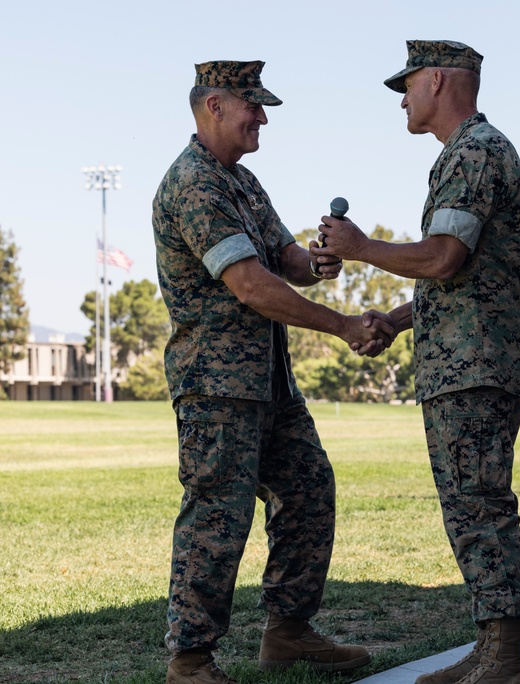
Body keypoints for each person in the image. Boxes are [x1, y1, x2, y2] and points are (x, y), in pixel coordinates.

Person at [152, 60, 390, 684]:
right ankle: (190, 659)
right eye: (252, 105)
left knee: (309, 487)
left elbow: (284, 260)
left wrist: (322, 259)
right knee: (217, 516)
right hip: (218, 387)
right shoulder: (194, 185)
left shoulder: (244, 183)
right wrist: (341, 325)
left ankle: (288, 633)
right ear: (213, 108)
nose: (263, 117)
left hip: (269, 383)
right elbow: (252, 286)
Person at [316, 40, 520, 684]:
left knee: (479, 504)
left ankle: (505, 658)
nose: (403, 100)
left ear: (437, 79)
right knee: (469, 504)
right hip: (464, 359)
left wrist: (360, 247)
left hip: (474, 366)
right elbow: (465, 275)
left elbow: (442, 258)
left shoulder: (473, 152)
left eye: (406, 86)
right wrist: (396, 319)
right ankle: (490, 647)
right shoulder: (470, 152)